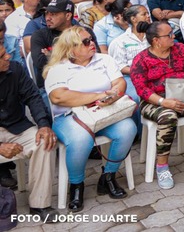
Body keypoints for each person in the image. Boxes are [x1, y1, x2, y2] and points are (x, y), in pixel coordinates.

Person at [44, 27, 137, 212]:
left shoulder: (104, 59)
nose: (92, 43)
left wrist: (112, 97)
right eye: (85, 42)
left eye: (91, 39)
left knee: (129, 128)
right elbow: (59, 97)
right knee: (81, 139)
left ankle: (108, 176)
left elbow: (120, 83)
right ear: (71, 49)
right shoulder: (58, 68)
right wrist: (100, 95)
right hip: (71, 117)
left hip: (104, 112)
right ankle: (76, 185)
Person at [130, 21, 184, 189]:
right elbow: (142, 90)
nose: (173, 36)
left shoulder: (180, 49)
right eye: (168, 35)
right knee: (167, 117)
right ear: (156, 40)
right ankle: (161, 166)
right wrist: (164, 102)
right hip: (156, 99)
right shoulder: (141, 59)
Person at [0, 34, 57, 221]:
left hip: (15, 126)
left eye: (5, 52)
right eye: (1, 57)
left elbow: (33, 96)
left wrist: (43, 124)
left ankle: (39, 204)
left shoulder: (15, 69)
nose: (8, 56)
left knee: (44, 142)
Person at [108, 5, 150, 129]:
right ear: (133, 19)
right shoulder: (120, 41)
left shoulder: (152, 37)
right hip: (129, 77)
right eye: (144, 14)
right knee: (136, 97)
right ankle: (139, 132)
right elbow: (120, 66)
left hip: (153, 74)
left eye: (148, 13)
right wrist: (140, 72)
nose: (148, 16)